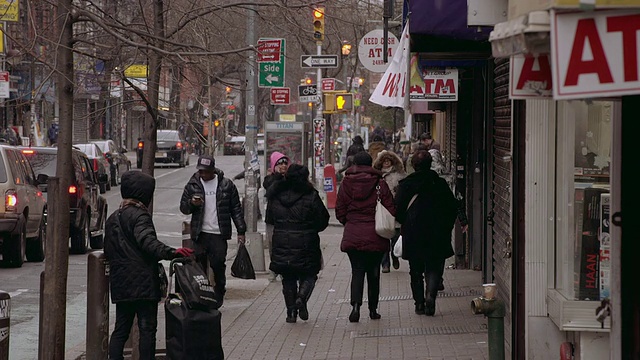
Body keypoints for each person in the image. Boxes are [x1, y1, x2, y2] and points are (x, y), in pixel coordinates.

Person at [104, 171, 194, 359]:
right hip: (142, 282)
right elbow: (148, 243)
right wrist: (173, 252)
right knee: (147, 328)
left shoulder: (113, 218)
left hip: (120, 281)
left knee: (121, 329)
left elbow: (109, 250)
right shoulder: (140, 216)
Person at [394, 150, 458, 316]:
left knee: (415, 270)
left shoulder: (406, 185)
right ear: (430, 164)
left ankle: (419, 304)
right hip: (437, 232)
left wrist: (404, 223)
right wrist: (446, 226)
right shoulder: (439, 184)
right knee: (434, 266)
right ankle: (431, 295)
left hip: (414, 232)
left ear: (414, 165)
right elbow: (452, 207)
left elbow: (398, 209)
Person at [336, 151, 396, 322]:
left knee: (357, 272)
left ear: (353, 163)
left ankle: (355, 307)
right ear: (371, 164)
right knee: (374, 272)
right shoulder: (379, 183)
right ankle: (372, 309)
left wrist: (349, 222)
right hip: (375, 234)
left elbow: (340, 209)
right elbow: (390, 207)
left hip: (353, 233)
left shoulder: (346, 183)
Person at [179, 154, 247, 306]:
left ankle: (219, 291)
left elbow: (236, 209)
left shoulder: (226, 185)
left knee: (218, 265)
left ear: (213, 170)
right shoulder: (193, 185)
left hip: (218, 233)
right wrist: (192, 203)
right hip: (200, 233)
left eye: (206, 171)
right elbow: (184, 208)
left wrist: (241, 230)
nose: (203, 174)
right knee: (199, 268)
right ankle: (203, 296)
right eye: (200, 171)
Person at [266, 164, 330, 323]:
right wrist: (311, 228)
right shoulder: (310, 195)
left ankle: (291, 313)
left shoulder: (275, 194)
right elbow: (323, 219)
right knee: (309, 273)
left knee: (287, 277)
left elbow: (270, 219)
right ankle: (301, 297)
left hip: (281, 240)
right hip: (306, 241)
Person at [372, 150, 407, 273]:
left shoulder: (400, 174)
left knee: (395, 237)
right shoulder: (377, 176)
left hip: (396, 209)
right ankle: (385, 264)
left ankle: (394, 255)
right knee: (382, 238)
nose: (386, 163)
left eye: (388, 161)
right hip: (382, 210)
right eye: (384, 161)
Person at [262, 151, 290, 281]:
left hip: (287, 217)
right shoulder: (270, 179)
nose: (283, 165)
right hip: (273, 218)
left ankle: (285, 268)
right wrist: (278, 176)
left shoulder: (291, 178)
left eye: (285, 162)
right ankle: (274, 268)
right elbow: (270, 190)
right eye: (280, 163)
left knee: (285, 244)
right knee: (273, 243)